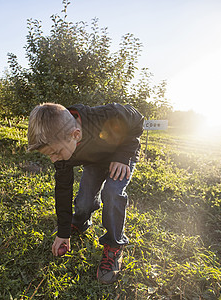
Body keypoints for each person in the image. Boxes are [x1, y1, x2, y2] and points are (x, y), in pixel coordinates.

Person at [27, 102, 144, 284]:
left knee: (112, 192)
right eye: (49, 155)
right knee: (84, 201)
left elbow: (136, 119)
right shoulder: (62, 151)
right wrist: (63, 233)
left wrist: (122, 156)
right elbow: (63, 190)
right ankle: (79, 222)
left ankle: (114, 245)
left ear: (76, 134)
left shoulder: (105, 115)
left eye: (56, 153)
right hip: (95, 160)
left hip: (121, 155)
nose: (54, 159)